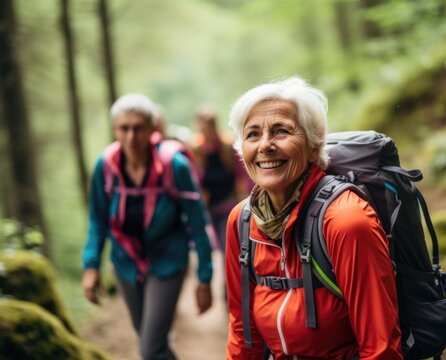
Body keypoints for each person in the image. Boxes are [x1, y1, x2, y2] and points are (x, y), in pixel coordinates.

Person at [225, 77, 403, 359]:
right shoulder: (242, 220)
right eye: (253, 134)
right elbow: (243, 333)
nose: (265, 145)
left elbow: (380, 347)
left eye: (281, 131)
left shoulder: (346, 220)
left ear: (313, 145)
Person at [81, 93, 213, 360]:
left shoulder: (175, 166)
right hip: (125, 263)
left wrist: (205, 277)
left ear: (152, 129)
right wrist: (91, 265)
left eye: (138, 128)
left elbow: (198, 223)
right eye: (124, 128)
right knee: (152, 343)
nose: (131, 136)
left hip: (168, 262)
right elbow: (98, 219)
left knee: (151, 348)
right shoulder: (105, 167)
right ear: (115, 130)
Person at [192, 107, 253, 252]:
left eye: (209, 125)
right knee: (219, 245)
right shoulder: (196, 149)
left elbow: (242, 172)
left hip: (229, 201)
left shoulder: (227, 145)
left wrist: (248, 194)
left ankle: (231, 273)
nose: (206, 129)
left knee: (227, 241)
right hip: (210, 204)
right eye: (202, 126)